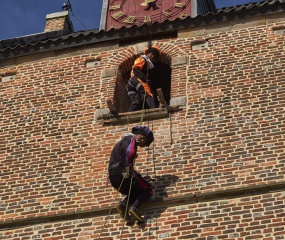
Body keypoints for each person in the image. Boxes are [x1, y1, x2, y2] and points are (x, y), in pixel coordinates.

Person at [108, 126, 154, 222]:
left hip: (113, 177)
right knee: (147, 189)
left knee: (134, 191)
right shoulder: (131, 139)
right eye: (142, 138)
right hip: (123, 171)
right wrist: (127, 169)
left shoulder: (120, 143)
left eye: (144, 141)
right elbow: (128, 152)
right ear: (138, 134)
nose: (141, 141)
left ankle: (123, 205)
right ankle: (134, 208)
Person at [126, 46, 161, 112]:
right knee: (148, 94)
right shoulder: (142, 59)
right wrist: (145, 79)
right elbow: (136, 68)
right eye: (154, 57)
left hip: (130, 84)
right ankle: (154, 111)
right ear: (153, 55)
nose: (153, 59)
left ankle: (127, 114)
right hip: (136, 81)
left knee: (136, 101)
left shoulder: (145, 64)